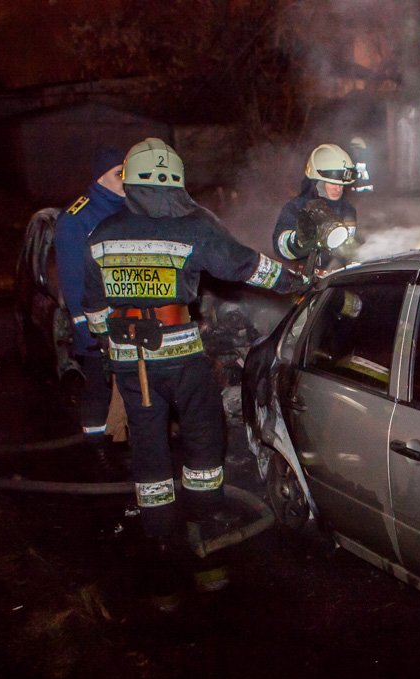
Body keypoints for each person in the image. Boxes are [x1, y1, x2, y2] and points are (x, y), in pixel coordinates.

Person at [82, 137, 309, 606]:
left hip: (132, 362)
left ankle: (161, 543)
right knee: (203, 435)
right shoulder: (194, 225)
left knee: (149, 450)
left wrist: (112, 352)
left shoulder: (101, 233)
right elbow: (244, 265)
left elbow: (94, 309)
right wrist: (296, 282)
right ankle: (208, 526)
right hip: (180, 354)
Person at [54, 146, 127, 469]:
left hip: (128, 319)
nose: (126, 179)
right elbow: (72, 279)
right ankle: (97, 447)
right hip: (97, 322)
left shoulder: (130, 209)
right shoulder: (76, 218)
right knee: (98, 385)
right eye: (118, 173)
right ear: (101, 177)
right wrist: (86, 327)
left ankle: (124, 440)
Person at [273, 143, 360, 275]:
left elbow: (349, 248)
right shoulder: (296, 208)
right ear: (317, 182)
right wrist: (301, 239)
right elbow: (280, 247)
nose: (338, 189)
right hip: (307, 282)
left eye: (342, 184)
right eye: (333, 183)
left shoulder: (348, 210)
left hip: (337, 282)